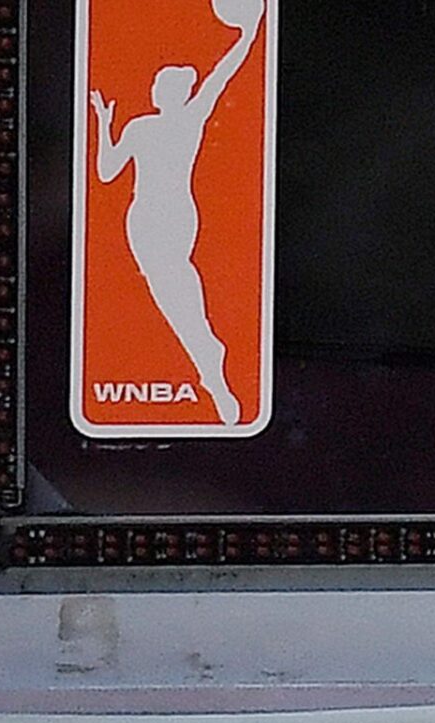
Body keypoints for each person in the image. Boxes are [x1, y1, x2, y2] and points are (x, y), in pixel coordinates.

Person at [89, 1, 262, 426]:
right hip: (152, 217)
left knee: (174, 286)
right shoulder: (160, 124)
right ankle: (208, 356)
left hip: (162, 216)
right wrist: (102, 124)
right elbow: (106, 173)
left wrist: (249, 34)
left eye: (165, 86)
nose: (159, 90)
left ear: (171, 93)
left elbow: (221, 78)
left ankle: (209, 360)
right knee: (173, 287)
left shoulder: (179, 121)